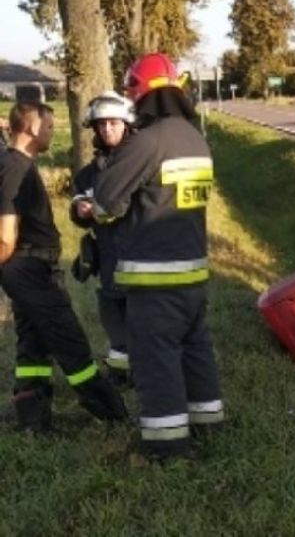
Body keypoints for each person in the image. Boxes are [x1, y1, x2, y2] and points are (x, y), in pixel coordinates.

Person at [92, 53, 222, 460]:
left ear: (138, 94)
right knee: (195, 349)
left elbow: (107, 200)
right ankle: (208, 425)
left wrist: (95, 210)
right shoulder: (194, 138)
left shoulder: (148, 142)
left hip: (154, 275)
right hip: (193, 271)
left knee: (155, 359)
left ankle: (167, 451)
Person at [1, 102, 128, 433]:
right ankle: (114, 415)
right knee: (70, 344)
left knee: (32, 343)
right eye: (49, 127)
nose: (51, 133)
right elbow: (5, 237)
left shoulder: (18, 163)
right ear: (30, 128)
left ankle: (32, 421)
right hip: (30, 268)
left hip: (29, 268)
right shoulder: (15, 168)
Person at [70, 92, 136, 385]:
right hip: (108, 254)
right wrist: (80, 210)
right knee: (113, 313)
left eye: (113, 122)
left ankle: (147, 367)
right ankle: (121, 372)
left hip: (142, 254)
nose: (107, 129)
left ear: (126, 124)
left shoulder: (141, 163)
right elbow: (77, 209)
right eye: (101, 124)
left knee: (143, 315)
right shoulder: (88, 174)